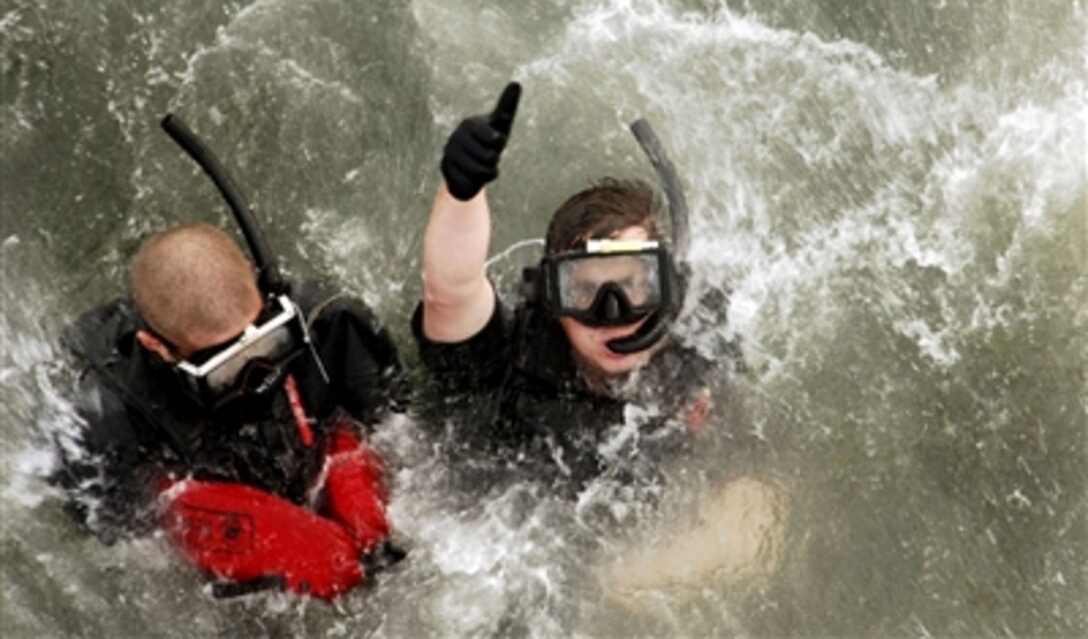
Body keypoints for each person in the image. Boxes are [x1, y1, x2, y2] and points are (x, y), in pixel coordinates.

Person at [413, 82, 784, 598]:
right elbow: (451, 291)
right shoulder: (513, 353)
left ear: (668, 284)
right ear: (551, 297)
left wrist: (619, 584)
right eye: (584, 290)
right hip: (486, 549)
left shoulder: (696, 343)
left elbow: (756, 509)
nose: (613, 315)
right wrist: (462, 191)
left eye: (634, 284)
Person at [54, 222, 404, 602]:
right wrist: (190, 516)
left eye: (267, 343)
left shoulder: (334, 325)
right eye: (224, 369)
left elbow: (395, 424)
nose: (254, 378)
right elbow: (107, 534)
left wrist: (351, 462)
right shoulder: (107, 415)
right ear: (156, 346)